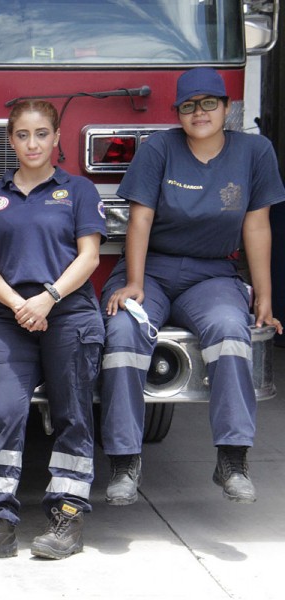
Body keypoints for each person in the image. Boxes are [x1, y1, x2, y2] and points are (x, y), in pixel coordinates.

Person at [100, 67, 285, 506]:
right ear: (178, 113)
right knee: (124, 333)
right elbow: (139, 219)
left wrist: (264, 296)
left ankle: (232, 459)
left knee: (230, 331)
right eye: (188, 106)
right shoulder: (159, 149)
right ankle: (124, 461)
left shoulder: (255, 152)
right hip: (153, 272)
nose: (198, 113)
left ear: (227, 108)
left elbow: (257, 227)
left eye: (208, 104)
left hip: (212, 274)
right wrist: (134, 283)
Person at [0, 100, 105, 562]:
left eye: (41, 134)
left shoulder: (78, 190)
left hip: (69, 313)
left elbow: (89, 257)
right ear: (10, 140)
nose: (32, 144)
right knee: (5, 413)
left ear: (57, 138)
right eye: (22, 135)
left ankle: (68, 518)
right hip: (11, 319)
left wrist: (48, 297)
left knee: (73, 414)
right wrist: (20, 304)